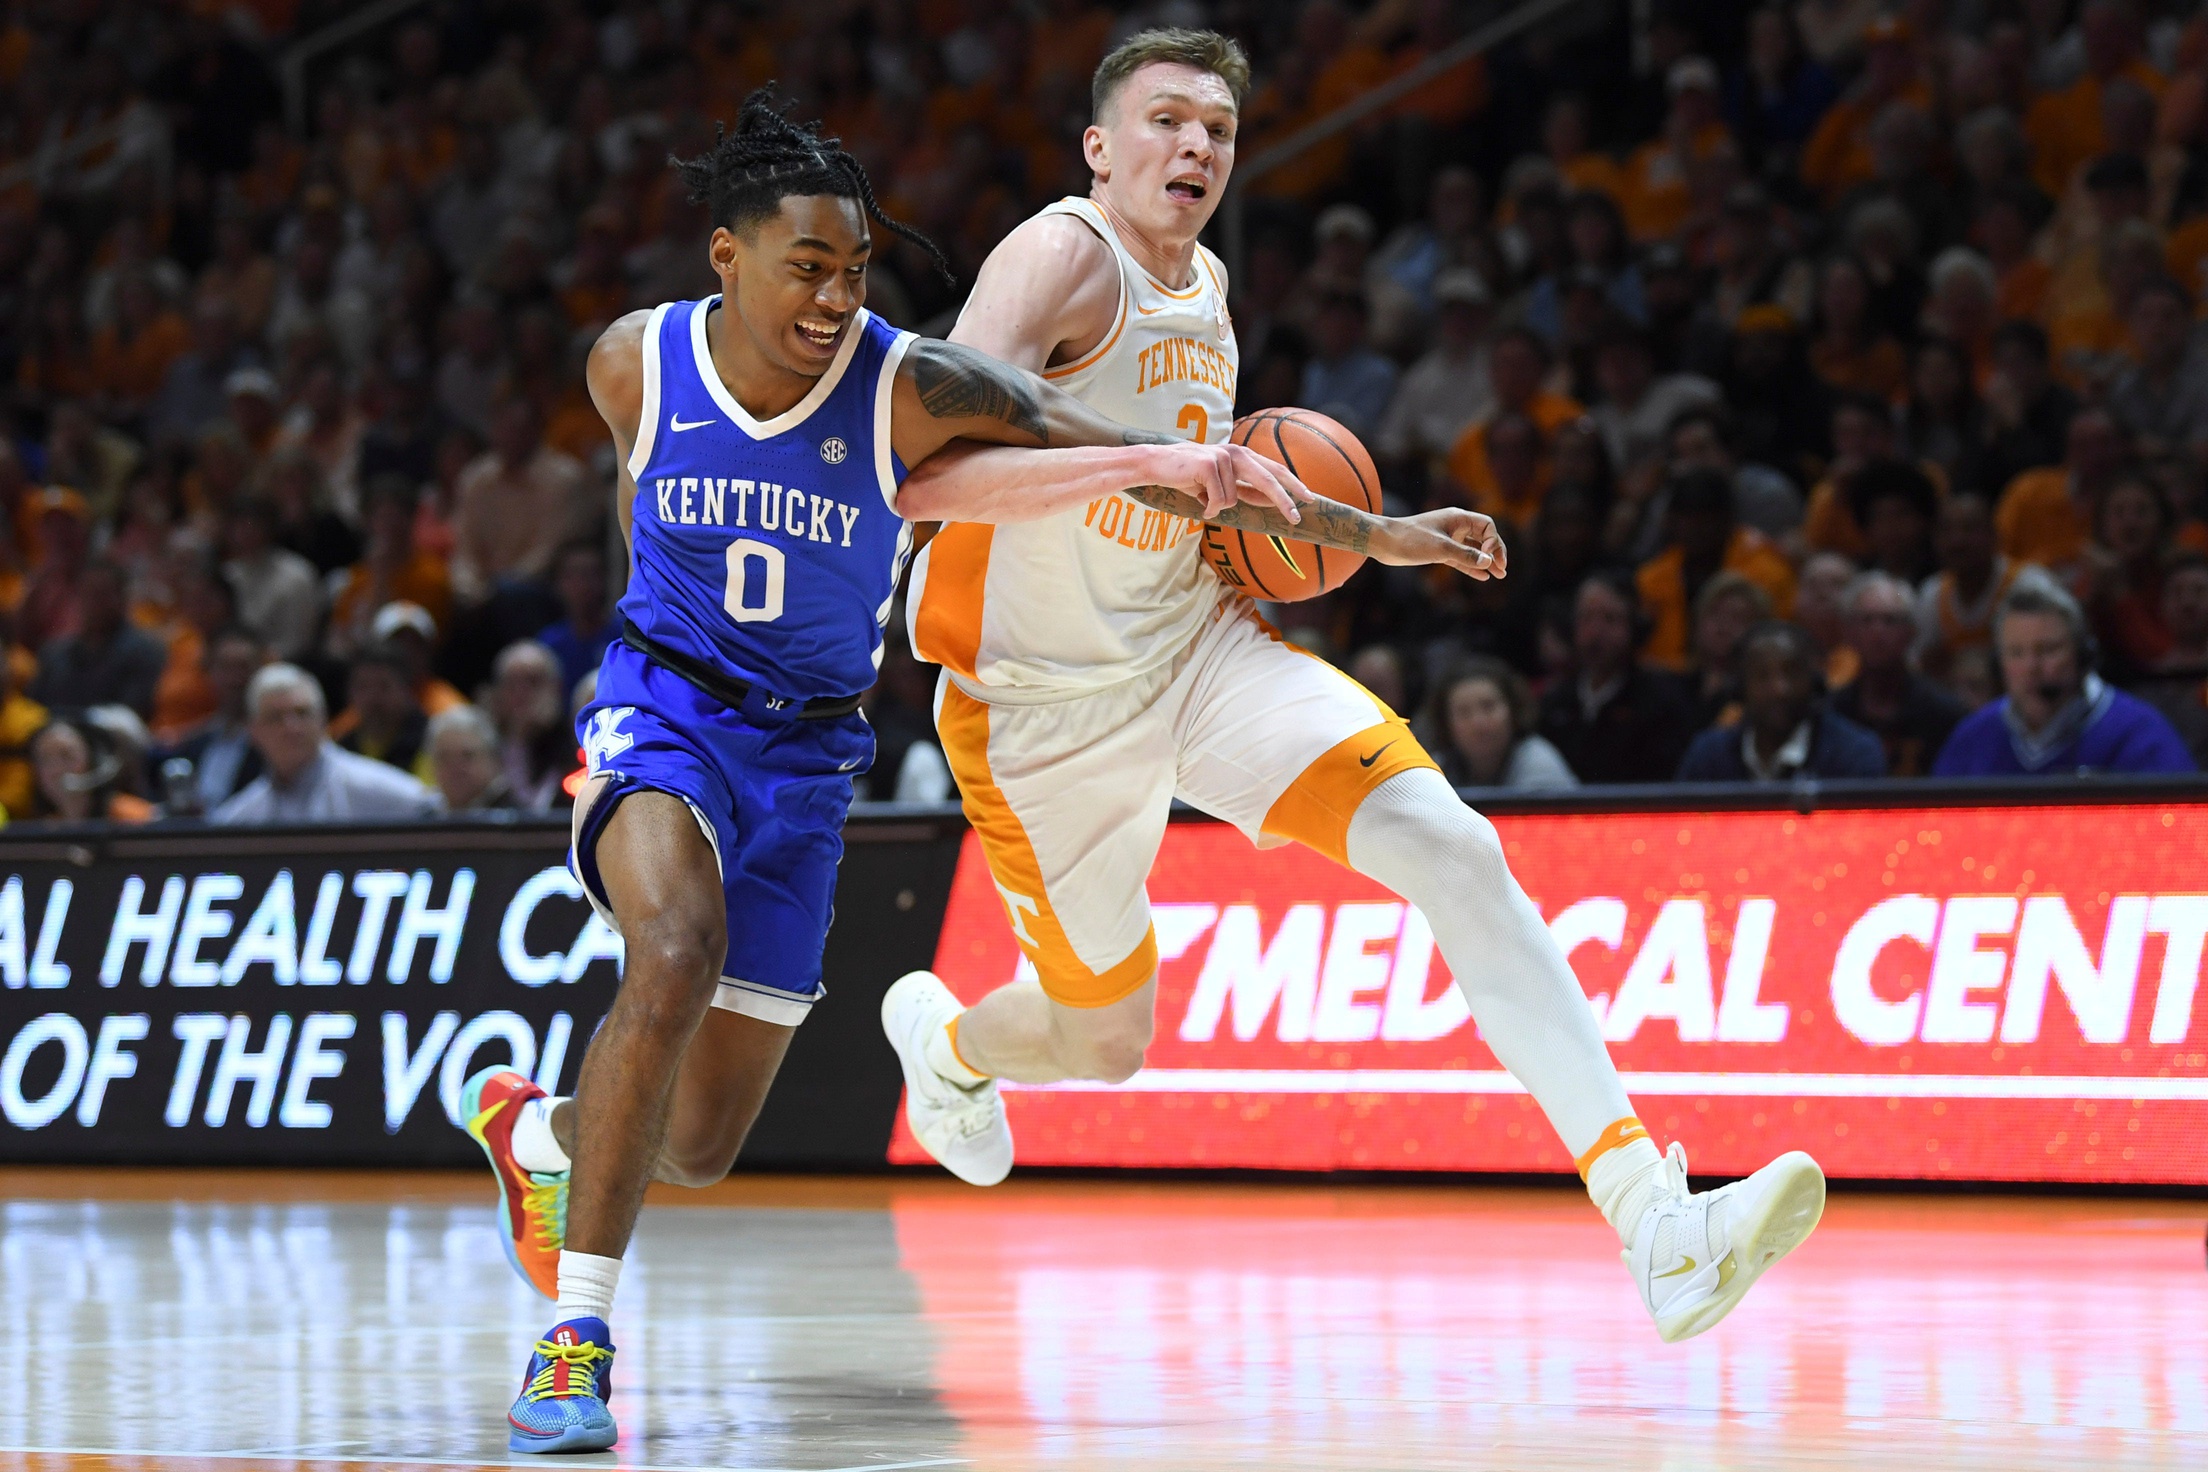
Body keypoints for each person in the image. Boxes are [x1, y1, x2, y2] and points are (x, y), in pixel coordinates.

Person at [892, 26, 1819, 1363]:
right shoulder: (1062, 255)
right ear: (1099, 148)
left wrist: (1375, 533)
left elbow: (1203, 487)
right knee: (1102, 1041)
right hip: (1037, 712)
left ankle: (1657, 1224)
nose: (1195, 146)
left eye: (1216, 128)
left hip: (1194, 654)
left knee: (1454, 848)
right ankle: (955, 1051)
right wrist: (1151, 464)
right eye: (1164, 120)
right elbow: (924, 465)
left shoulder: (1203, 281)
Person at [450, 86, 1322, 1454]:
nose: (837, 296)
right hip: (665, 712)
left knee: (697, 1145)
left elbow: (1079, 433)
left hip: (810, 755)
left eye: (855, 269)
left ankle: (539, 1132)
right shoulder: (633, 362)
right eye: (808, 266)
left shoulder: (904, 381)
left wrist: (1331, 520)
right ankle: (576, 1345)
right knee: (669, 952)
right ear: (726, 257)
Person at [1932, 571, 2194, 777]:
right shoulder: (1972, 738)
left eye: (2048, 650)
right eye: (2016, 653)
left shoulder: (2139, 734)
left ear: (2083, 655)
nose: (2032, 667)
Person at [212, 663, 437, 823]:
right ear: (254, 731)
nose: (291, 727)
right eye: (275, 717)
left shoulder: (378, 789)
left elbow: (433, 811)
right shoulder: (238, 818)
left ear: (323, 720)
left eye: (302, 713)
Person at [1538, 570, 1701, 784]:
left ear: (1633, 625)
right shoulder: (1556, 702)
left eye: (1610, 619)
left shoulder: (1661, 700)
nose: (1596, 632)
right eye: (1586, 618)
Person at [1677, 621, 1887, 781]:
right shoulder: (1708, 755)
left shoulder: (1854, 752)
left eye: (1792, 674)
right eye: (1762, 675)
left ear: (1815, 681)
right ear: (1740, 687)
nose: (1779, 689)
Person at [1828, 571, 1965, 776]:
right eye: (1866, 620)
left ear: (1911, 631)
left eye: (1890, 620)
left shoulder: (1945, 714)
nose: (1877, 632)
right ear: (1848, 632)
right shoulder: (1832, 712)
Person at [28, 559, 167, 720]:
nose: (93, 602)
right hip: (51, 736)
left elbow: (131, 716)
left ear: (122, 599)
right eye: (87, 592)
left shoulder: (145, 652)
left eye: (102, 593)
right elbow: (34, 709)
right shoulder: (53, 654)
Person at [151, 625, 267, 815]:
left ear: (260, 670)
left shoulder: (272, 748)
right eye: (225, 667)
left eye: (243, 667)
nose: (234, 679)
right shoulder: (191, 744)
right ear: (209, 671)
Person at [1420, 657, 1577, 790]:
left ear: (1513, 710)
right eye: (1464, 712)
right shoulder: (1434, 770)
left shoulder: (1540, 765)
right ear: (1446, 724)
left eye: (1488, 706)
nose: (1479, 723)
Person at [336, 642, 432, 781]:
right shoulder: (342, 749)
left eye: (384, 686)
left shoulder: (429, 742)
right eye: (363, 686)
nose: (373, 698)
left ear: (406, 689)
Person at [425, 703, 517, 812]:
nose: (455, 768)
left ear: (493, 760)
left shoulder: (515, 817)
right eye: (444, 758)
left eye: (467, 756)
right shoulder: (423, 818)